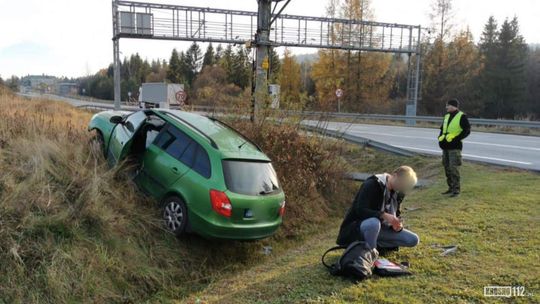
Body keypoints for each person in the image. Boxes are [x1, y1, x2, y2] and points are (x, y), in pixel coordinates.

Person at [336, 166, 420, 252]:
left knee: (413, 239)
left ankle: (371, 245)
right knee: (374, 223)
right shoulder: (372, 184)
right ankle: (370, 253)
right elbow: (360, 210)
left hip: (382, 229)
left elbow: (396, 214)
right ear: (395, 175)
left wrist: (397, 225)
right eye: (401, 183)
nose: (401, 187)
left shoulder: (399, 193)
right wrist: (383, 215)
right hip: (359, 227)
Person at [438, 99, 471, 197]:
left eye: (448, 105)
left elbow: (467, 130)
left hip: (455, 148)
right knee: (447, 167)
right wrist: (440, 138)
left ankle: (456, 190)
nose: (446, 107)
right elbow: (442, 129)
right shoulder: (447, 116)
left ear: (453, 106)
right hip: (446, 147)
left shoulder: (462, 116)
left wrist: (457, 139)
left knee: (453, 168)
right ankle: (450, 188)